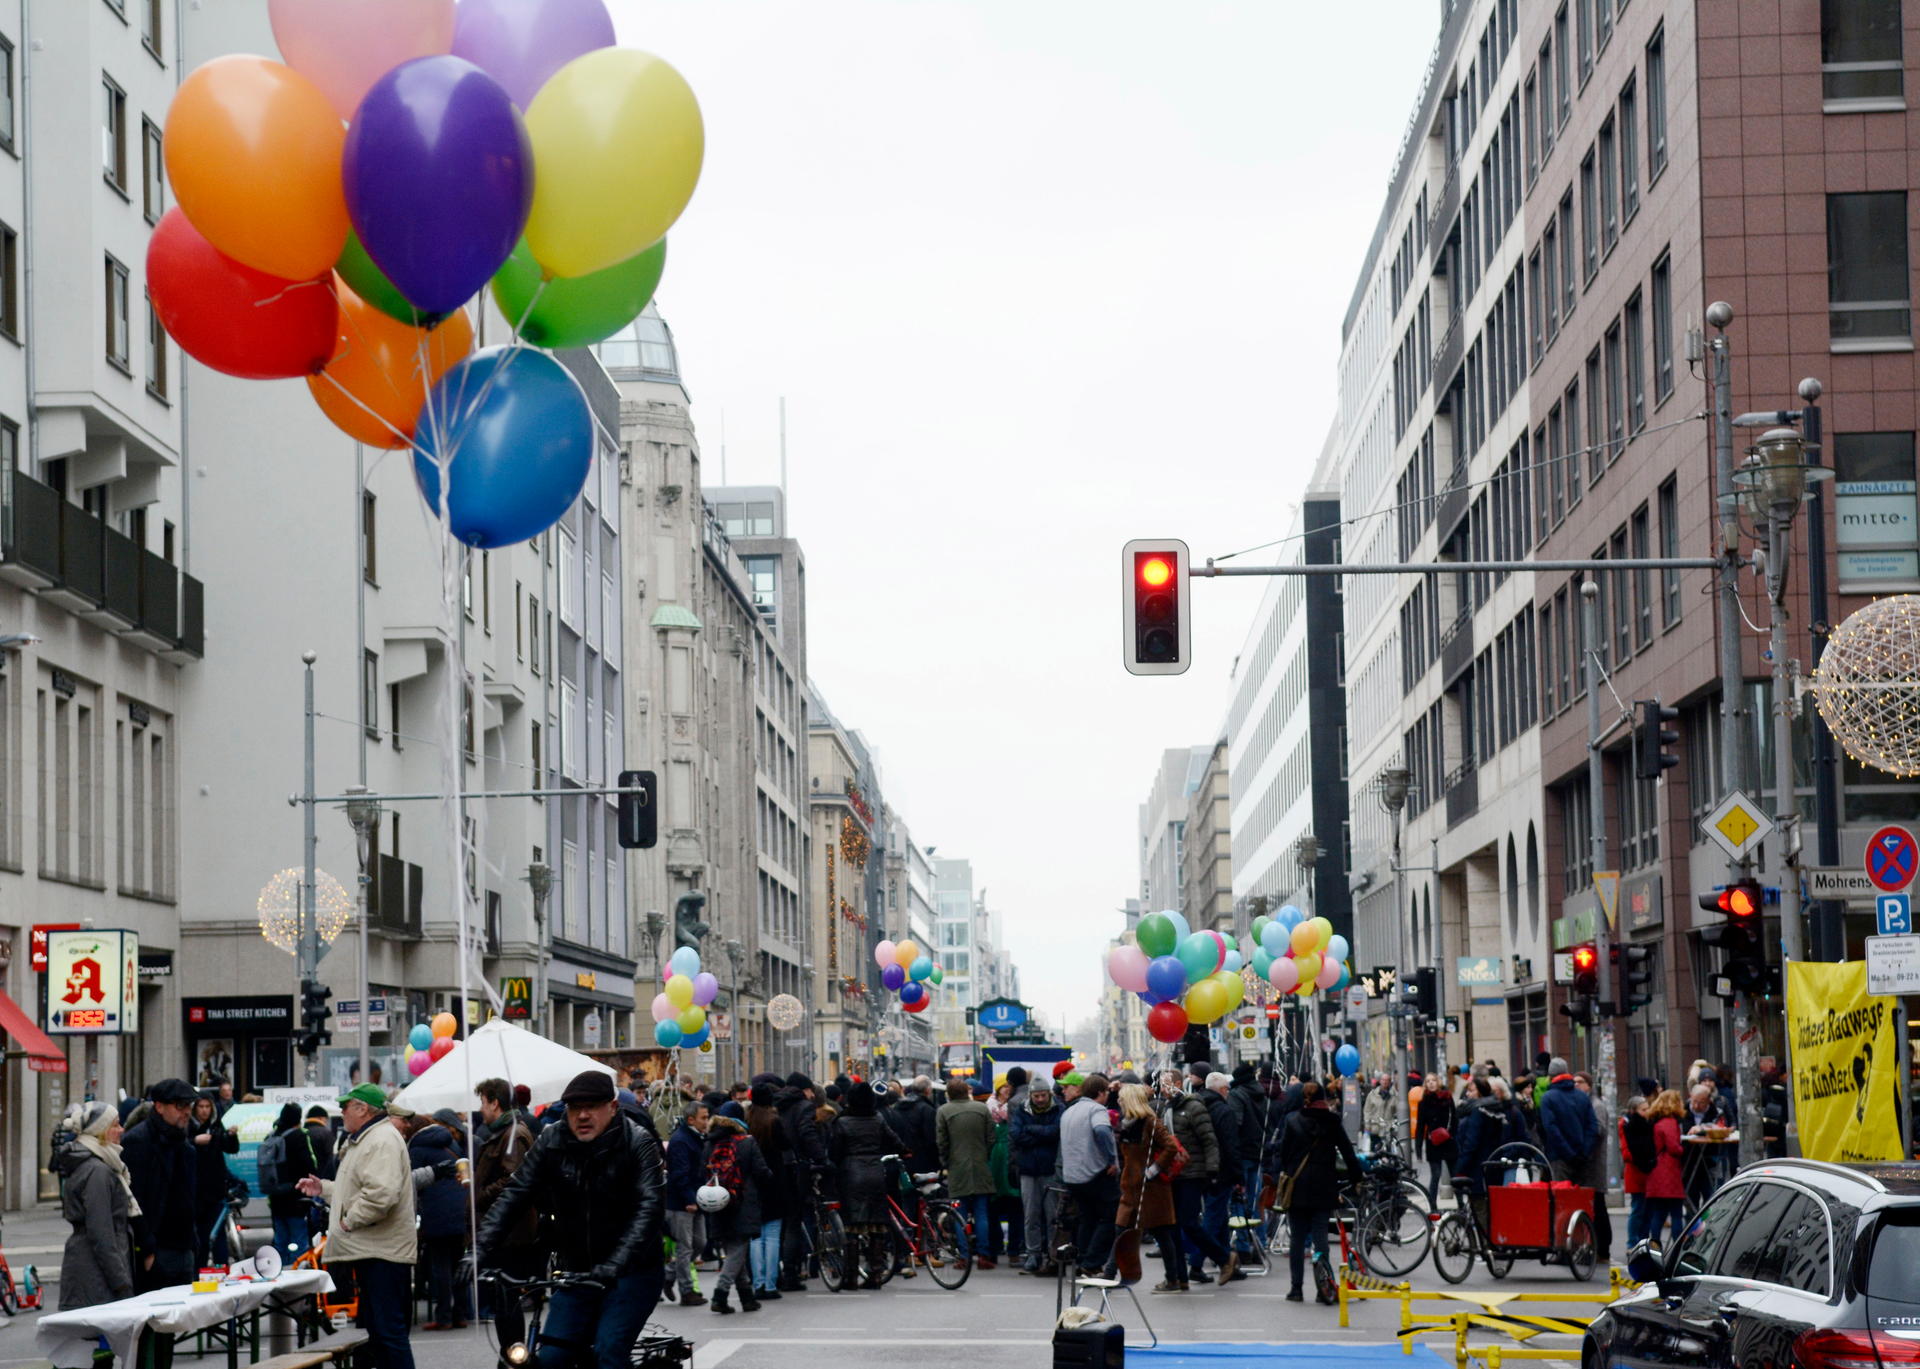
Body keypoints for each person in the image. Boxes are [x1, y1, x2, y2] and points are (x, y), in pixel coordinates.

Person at [477, 1070, 665, 1369]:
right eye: (575, 1108)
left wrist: (615, 1265)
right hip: (576, 1270)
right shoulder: (552, 1139)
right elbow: (516, 1193)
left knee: (609, 1353)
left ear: (613, 1108)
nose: (583, 1115)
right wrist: (477, 1250)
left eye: (592, 1107)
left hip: (632, 1271)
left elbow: (649, 1209)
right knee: (550, 1358)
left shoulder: (636, 1142)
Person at [295, 1084, 417, 1369]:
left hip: (382, 1253)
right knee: (379, 1334)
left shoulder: (380, 1139)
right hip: (376, 1250)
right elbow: (362, 1189)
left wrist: (349, 1220)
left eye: (346, 1105)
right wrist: (323, 1188)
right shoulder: (369, 1138)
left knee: (388, 1334)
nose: (341, 1111)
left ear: (363, 1109)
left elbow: (380, 1195)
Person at [1273, 1080, 1359, 1303]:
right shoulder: (1332, 1121)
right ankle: (1324, 1287)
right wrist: (1357, 1177)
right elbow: (1348, 1152)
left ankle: (1296, 1289)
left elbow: (1283, 1154)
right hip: (1324, 1187)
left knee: (1297, 1239)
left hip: (1298, 1186)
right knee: (1320, 1239)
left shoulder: (1292, 1121)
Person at [474, 1078, 537, 1347]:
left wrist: (481, 1194)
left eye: (483, 1102)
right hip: (504, 1231)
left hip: (510, 1233)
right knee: (503, 1300)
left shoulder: (513, 1134)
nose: (481, 1109)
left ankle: (513, 1356)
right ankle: (509, 1354)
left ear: (494, 1103)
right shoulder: (504, 1132)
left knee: (506, 1300)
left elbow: (513, 1179)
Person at [56, 1102, 136, 1310]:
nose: (121, 1130)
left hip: (93, 1269)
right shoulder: (98, 1172)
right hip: (96, 1274)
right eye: (116, 1125)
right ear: (100, 1132)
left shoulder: (98, 1166)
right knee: (102, 1338)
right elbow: (101, 1233)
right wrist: (121, 1282)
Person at [122, 1078, 199, 1291]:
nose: (187, 1112)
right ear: (159, 1106)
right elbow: (134, 1200)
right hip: (157, 1249)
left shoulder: (184, 1145)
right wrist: (147, 1251)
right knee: (155, 1319)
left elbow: (189, 1198)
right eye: (180, 1106)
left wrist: (194, 1243)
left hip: (184, 1246)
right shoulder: (138, 1141)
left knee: (183, 1318)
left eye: (189, 1106)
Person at [1159, 1071, 1233, 1285]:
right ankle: (1179, 1277)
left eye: (1167, 1085)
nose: (1163, 1089)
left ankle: (1224, 1257)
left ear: (1179, 1084)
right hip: (1173, 1174)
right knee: (1173, 1225)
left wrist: (1212, 1170)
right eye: (1162, 1085)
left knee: (1188, 1222)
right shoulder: (1166, 1108)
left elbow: (1209, 1140)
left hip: (1193, 1172)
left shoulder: (1193, 1106)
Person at [1110, 1083, 1181, 1292]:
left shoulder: (1150, 1122)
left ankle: (1173, 1279)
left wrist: (1153, 1170)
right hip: (1131, 1186)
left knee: (1161, 1234)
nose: (1119, 1102)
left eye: (1122, 1099)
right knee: (1120, 1231)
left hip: (1151, 1188)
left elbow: (1171, 1146)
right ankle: (1110, 1274)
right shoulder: (1127, 1124)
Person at [701, 1110, 774, 1314]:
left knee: (735, 1251)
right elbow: (762, 1172)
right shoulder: (747, 1142)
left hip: (718, 1202)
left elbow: (702, 1172)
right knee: (738, 1250)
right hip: (743, 1202)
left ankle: (746, 1297)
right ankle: (720, 1294)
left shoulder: (709, 1143)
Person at [409, 1109, 470, 1330]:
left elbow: (411, 1183)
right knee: (457, 1264)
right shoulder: (451, 1142)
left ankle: (443, 1317)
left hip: (436, 1212)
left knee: (440, 1267)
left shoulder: (417, 1147)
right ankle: (460, 1314)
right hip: (459, 1207)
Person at [828, 1082, 894, 1288]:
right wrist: (905, 1152)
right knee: (877, 1226)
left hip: (851, 1175)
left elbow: (834, 1152)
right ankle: (875, 1275)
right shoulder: (878, 1119)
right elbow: (894, 1141)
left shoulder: (843, 1122)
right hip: (876, 1173)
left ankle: (851, 1277)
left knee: (852, 1228)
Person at [1059, 1073, 1118, 1277]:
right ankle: (1093, 1261)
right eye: (1107, 1093)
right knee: (1110, 1217)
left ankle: (1082, 1260)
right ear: (1101, 1092)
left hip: (1073, 1176)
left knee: (1087, 1218)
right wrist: (1111, 1159)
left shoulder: (1069, 1111)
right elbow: (1102, 1131)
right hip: (1095, 1173)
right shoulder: (1097, 1110)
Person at [936, 1076, 996, 1267]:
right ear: (967, 1092)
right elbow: (991, 1137)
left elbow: (942, 1142)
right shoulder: (981, 1109)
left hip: (957, 1167)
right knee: (982, 1213)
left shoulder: (944, 1111)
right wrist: (983, 1155)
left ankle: (964, 1257)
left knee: (959, 1214)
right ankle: (984, 1255)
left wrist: (946, 1162)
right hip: (980, 1166)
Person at [774, 1073, 825, 1292]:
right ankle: (791, 1274)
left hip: (774, 1167)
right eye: (810, 1090)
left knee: (778, 1224)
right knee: (794, 1221)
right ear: (804, 1090)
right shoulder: (804, 1107)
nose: (813, 1094)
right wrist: (821, 1158)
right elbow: (806, 1133)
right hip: (796, 1167)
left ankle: (771, 1273)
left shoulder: (775, 1103)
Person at [1009, 1077, 1062, 1274]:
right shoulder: (1022, 1110)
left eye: (1043, 1095)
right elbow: (1016, 1134)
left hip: (1049, 1169)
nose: (1040, 1099)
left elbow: (1056, 1132)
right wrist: (1043, 1135)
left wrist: (1031, 1130)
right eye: (1036, 1096)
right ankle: (1033, 1254)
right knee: (1031, 1215)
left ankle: (1052, 1253)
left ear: (1049, 1094)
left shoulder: (1058, 1108)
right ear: (1031, 1095)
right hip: (1028, 1170)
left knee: (1051, 1215)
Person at [743, 1084, 789, 1300]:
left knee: (755, 1237)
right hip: (774, 1181)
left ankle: (757, 1283)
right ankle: (770, 1284)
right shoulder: (774, 1121)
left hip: (751, 1181)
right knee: (772, 1236)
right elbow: (786, 1145)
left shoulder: (746, 1120)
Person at [184, 1091, 240, 1269]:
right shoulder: (188, 1127)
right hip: (196, 1191)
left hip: (215, 1191)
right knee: (199, 1235)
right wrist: (194, 1141)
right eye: (201, 1107)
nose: (204, 1111)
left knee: (218, 1235)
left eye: (207, 1107)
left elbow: (230, 1148)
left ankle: (221, 1269)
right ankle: (199, 1270)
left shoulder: (216, 1126)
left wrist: (231, 1136)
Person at [664, 1101, 712, 1308]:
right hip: (681, 1202)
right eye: (703, 1117)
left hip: (697, 1197)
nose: (707, 1121)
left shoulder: (698, 1137)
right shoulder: (681, 1140)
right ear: (691, 1119)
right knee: (685, 1247)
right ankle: (687, 1291)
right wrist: (689, 1200)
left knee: (700, 1243)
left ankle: (668, 1274)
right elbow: (679, 1174)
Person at [1198, 1073, 1245, 1277]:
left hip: (1202, 1170)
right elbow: (1230, 1144)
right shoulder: (1223, 1111)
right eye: (1226, 1088)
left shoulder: (1198, 1106)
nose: (1228, 1091)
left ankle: (1226, 1261)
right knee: (1213, 1217)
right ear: (1220, 1089)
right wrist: (1238, 1176)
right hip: (1221, 1171)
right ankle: (1196, 1263)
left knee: (1220, 1216)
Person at [265, 1103, 323, 1258]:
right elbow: (310, 1165)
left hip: (276, 1198)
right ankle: (298, 1276)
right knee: (299, 1241)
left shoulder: (271, 1136)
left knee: (280, 1241)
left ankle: (279, 1275)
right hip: (297, 1197)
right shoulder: (299, 1136)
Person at [1643, 1089, 1688, 1245]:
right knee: (1676, 1213)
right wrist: (1684, 1148)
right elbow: (1674, 1148)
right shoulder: (1670, 1123)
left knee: (1659, 1213)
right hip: (1668, 1172)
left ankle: (1655, 1245)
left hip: (1656, 1172)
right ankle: (1678, 1246)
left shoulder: (1657, 1122)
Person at [1620, 1093, 1655, 1248]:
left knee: (1647, 1209)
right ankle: (1632, 1242)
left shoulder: (1649, 1125)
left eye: (1647, 1109)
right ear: (1634, 1111)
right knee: (1638, 1208)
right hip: (1635, 1171)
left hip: (1647, 1170)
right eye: (1643, 1110)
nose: (1646, 1112)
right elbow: (1626, 1151)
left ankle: (1643, 1240)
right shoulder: (1626, 1125)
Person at [1416, 1073, 1456, 1203]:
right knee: (1436, 1175)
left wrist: (1453, 1135)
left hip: (1448, 1141)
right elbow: (1420, 1126)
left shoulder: (1447, 1097)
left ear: (1438, 1082)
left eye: (1433, 1080)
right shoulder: (1423, 1102)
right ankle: (1432, 1205)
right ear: (1425, 1084)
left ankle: (1461, 1205)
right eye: (1428, 1081)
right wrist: (1418, 1149)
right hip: (1433, 1142)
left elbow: (1455, 1118)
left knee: (1454, 1176)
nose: (1431, 1083)